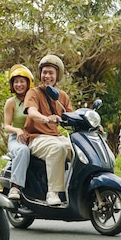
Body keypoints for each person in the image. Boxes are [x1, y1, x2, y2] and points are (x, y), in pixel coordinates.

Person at [23, 55, 73, 206]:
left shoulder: (62, 96)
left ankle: (74, 189)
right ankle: (53, 192)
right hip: (36, 138)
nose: (47, 76)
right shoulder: (34, 93)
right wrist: (46, 119)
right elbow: (31, 112)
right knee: (57, 149)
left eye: (51, 73)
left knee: (78, 150)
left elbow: (72, 116)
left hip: (55, 137)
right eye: (44, 72)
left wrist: (93, 123)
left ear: (57, 76)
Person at [3, 64, 34, 200]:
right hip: (17, 139)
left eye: (22, 81)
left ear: (28, 83)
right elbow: (6, 126)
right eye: (16, 82)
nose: (19, 84)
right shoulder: (11, 102)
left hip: (34, 137)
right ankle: (15, 187)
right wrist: (18, 130)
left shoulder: (34, 99)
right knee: (23, 151)